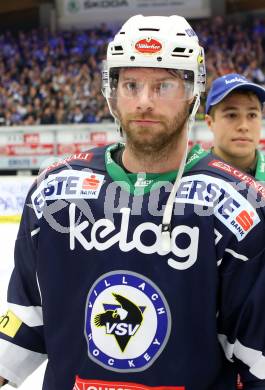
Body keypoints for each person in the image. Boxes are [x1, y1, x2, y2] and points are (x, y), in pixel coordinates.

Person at [1, 14, 265, 390]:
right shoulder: (55, 193)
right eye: (131, 85)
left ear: (194, 91)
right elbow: (27, 319)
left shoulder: (240, 207)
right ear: (112, 90)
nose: (144, 101)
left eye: (163, 86)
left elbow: (256, 359)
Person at [205, 73, 265, 180]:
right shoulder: (186, 177)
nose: (243, 126)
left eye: (252, 115)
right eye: (232, 115)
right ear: (210, 122)